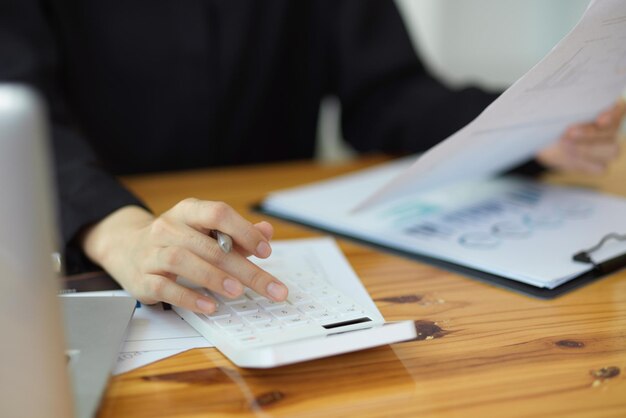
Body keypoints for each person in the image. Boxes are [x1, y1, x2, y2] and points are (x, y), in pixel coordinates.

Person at [2, 1, 624, 314]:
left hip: (273, 250)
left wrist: (531, 131)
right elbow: (15, 108)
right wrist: (116, 229)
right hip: (90, 239)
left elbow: (386, 92)